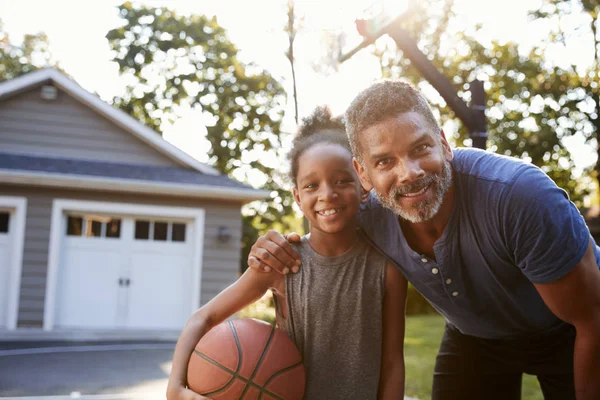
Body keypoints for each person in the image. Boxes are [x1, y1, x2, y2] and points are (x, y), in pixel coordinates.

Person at [248, 80, 600, 400]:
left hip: (569, 331)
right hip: (476, 337)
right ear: (362, 174)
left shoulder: (520, 198)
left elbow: (592, 319)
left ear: (444, 144)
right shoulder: (362, 213)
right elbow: (315, 242)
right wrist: (273, 248)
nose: (409, 173)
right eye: (385, 161)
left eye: (421, 148)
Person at [166, 106, 407, 400]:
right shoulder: (282, 261)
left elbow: (393, 362)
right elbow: (202, 319)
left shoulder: (387, 269)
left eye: (342, 180)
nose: (327, 193)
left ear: (364, 184)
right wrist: (175, 389)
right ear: (297, 196)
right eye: (311, 185)